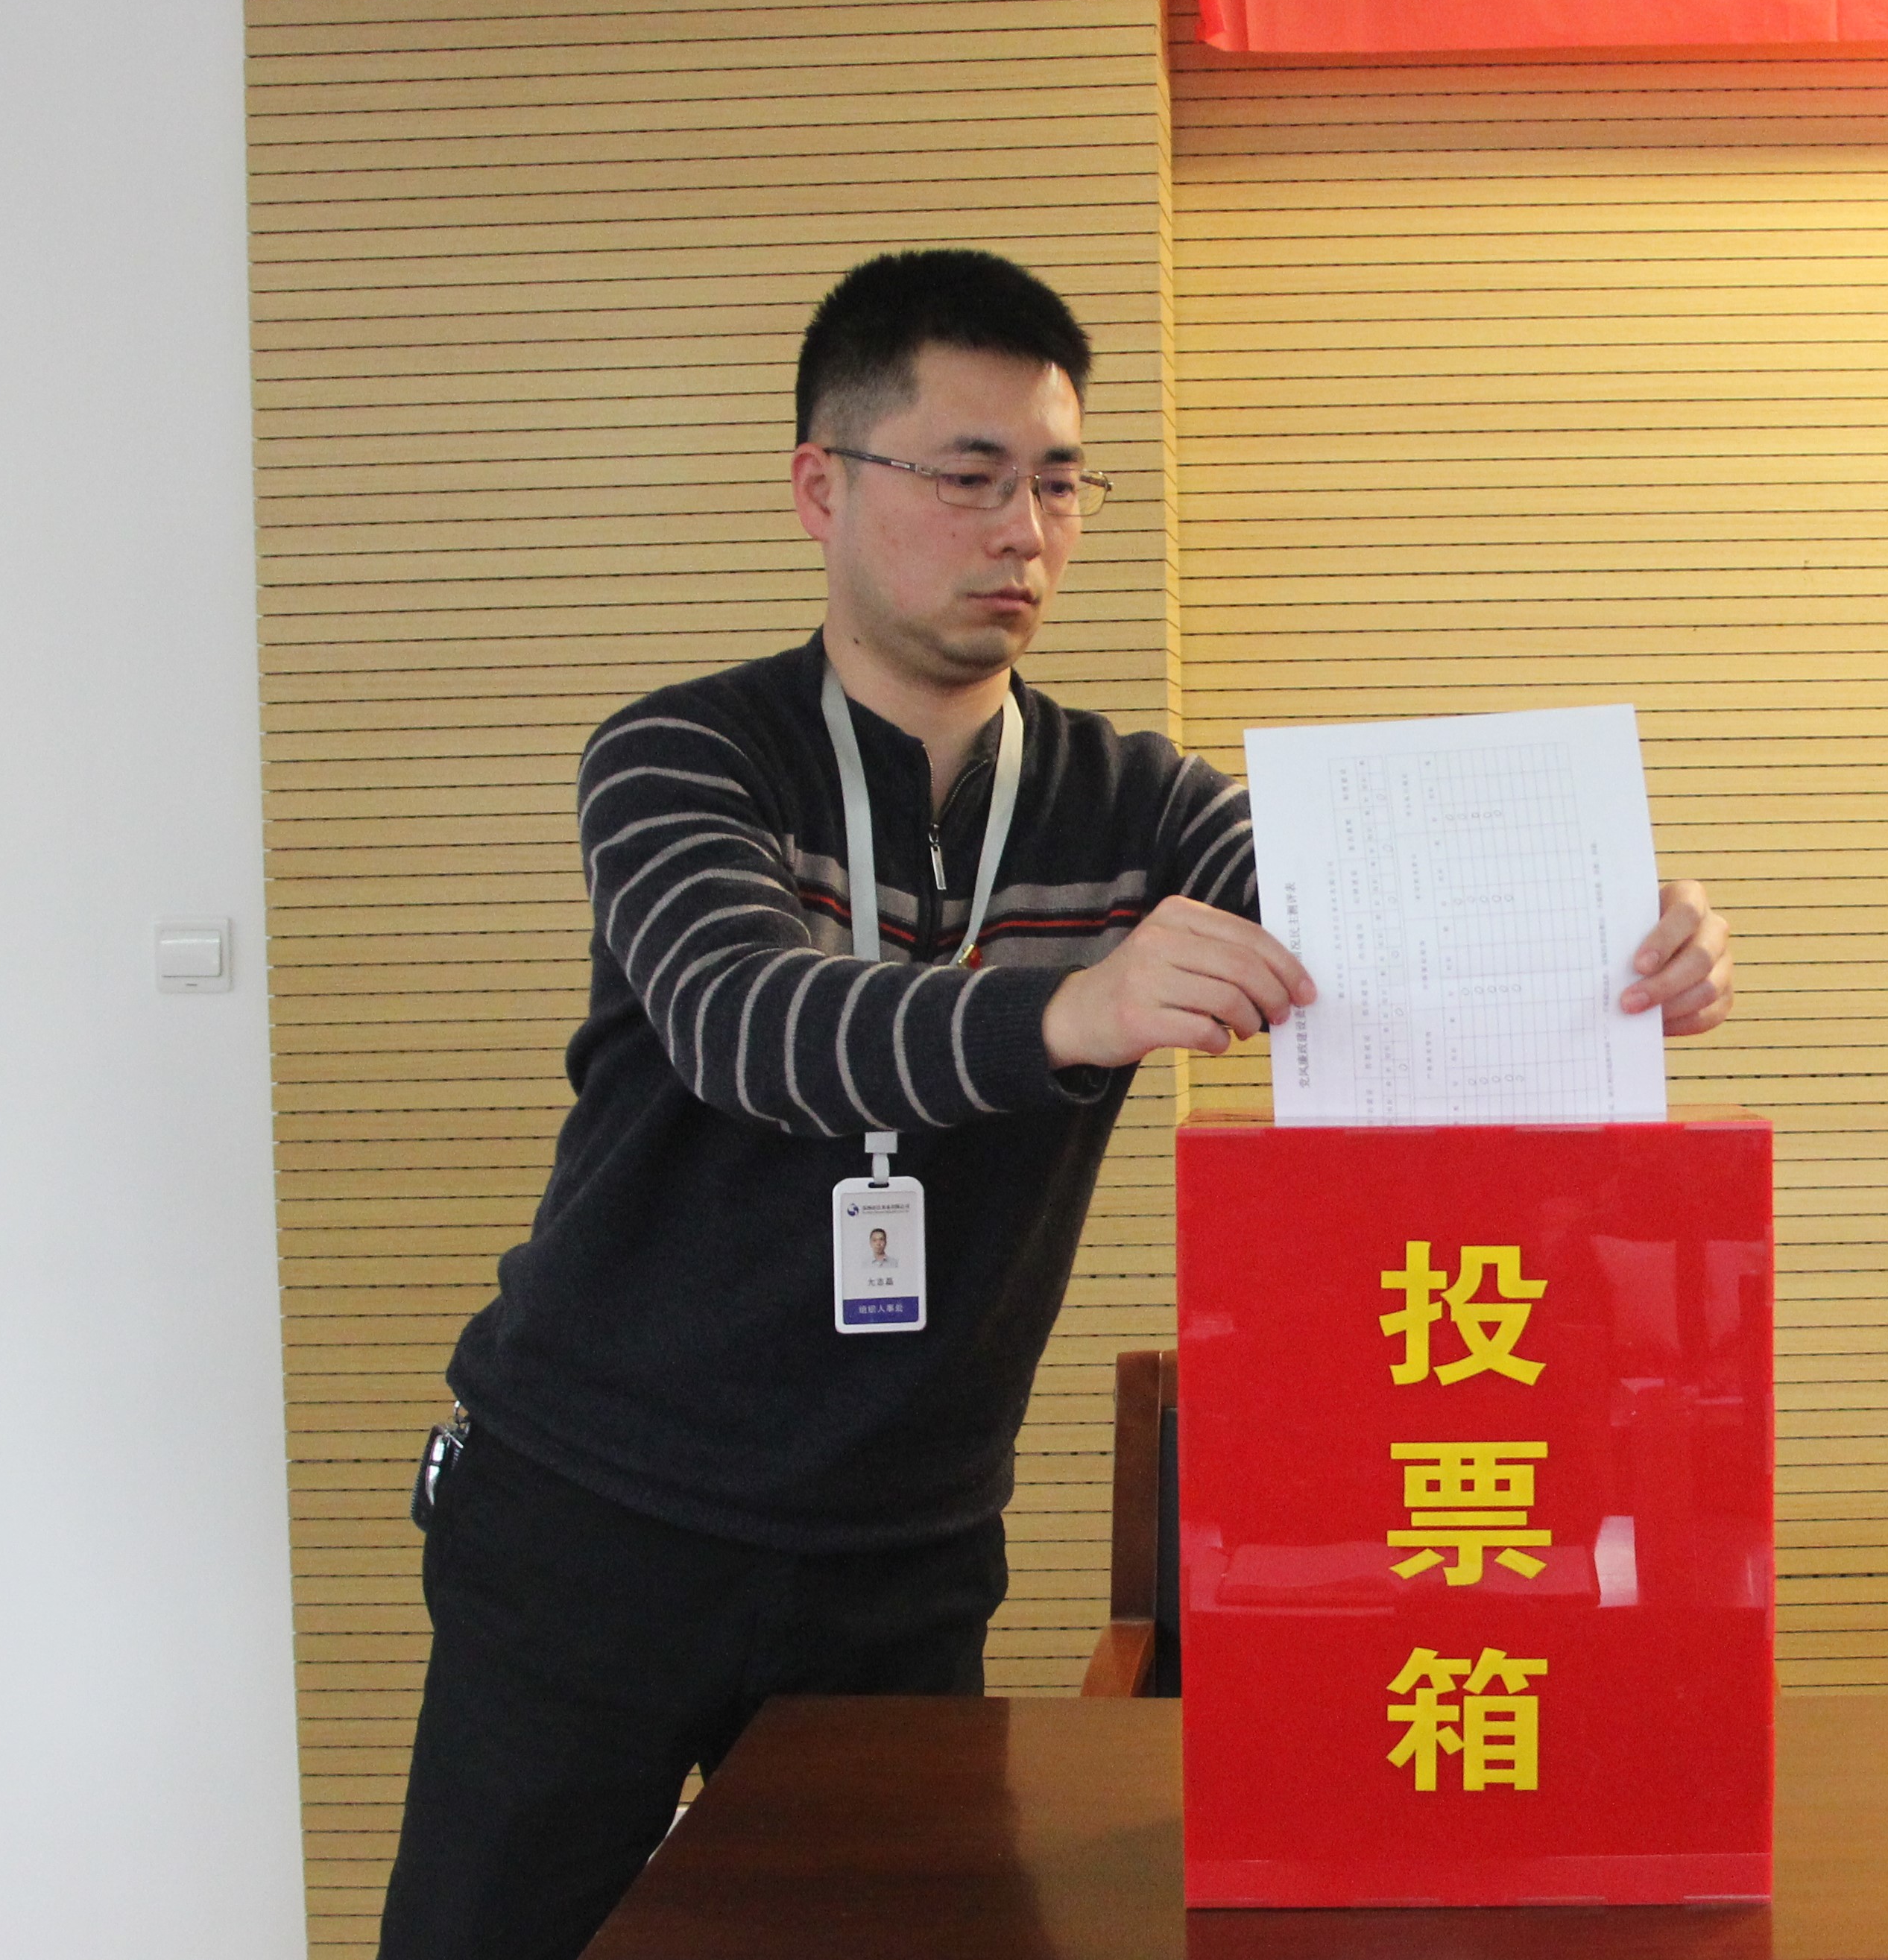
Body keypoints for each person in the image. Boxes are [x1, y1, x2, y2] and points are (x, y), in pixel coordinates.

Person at [376, 250, 1734, 1960]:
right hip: (595, 1514)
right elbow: (746, 1025)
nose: (1023, 531)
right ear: (820, 487)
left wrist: (1614, 941)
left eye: (1059, 483)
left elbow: (1384, 936)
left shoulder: (1141, 804)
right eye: (969, 477)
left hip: (905, 1542)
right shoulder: (682, 757)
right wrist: (1072, 1008)